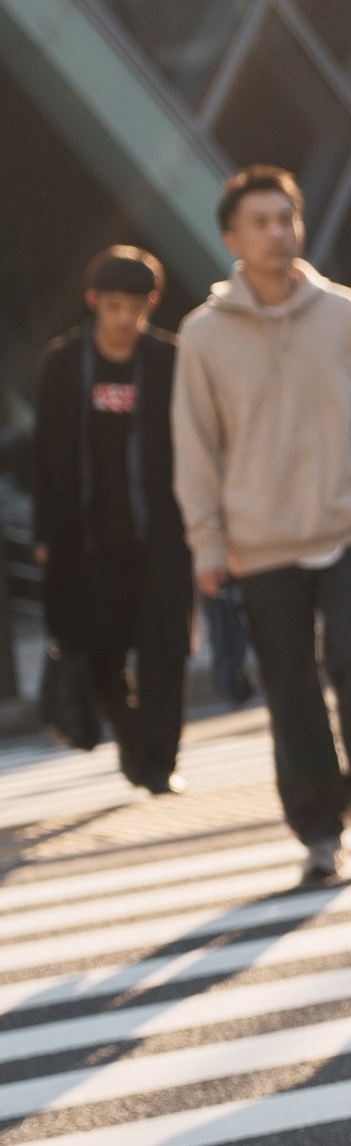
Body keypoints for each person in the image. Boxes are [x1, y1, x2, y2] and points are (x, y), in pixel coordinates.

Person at [173, 167, 351, 890]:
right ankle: (318, 831)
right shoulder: (202, 335)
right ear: (231, 238)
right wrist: (207, 545)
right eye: (262, 221)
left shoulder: (341, 312)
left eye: (288, 218)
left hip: (344, 526)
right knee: (291, 690)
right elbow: (196, 449)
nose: (279, 232)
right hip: (256, 544)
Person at [32, 248, 194, 794]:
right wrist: (43, 535)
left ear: (151, 304)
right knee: (98, 650)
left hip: (163, 537)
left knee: (165, 651)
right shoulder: (63, 364)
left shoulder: (170, 361)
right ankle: (130, 736)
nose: (124, 318)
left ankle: (159, 765)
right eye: (114, 305)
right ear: (94, 302)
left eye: (136, 306)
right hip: (88, 542)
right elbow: (46, 455)